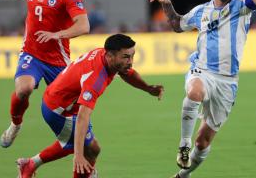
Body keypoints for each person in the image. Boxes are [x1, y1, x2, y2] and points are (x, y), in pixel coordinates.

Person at [149, 0, 256, 178]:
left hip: (228, 82)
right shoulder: (200, 12)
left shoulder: (242, 6)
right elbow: (177, 25)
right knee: (194, 92)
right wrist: (167, 5)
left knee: (203, 142)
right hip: (202, 70)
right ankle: (183, 144)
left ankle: (182, 175)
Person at [0, 0, 90, 148]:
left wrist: (56, 34)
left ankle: (87, 158)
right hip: (32, 53)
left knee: (74, 110)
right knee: (24, 89)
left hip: (58, 60)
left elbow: (84, 26)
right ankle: (15, 124)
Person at [16, 34, 164, 178]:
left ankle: (31, 164)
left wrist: (148, 88)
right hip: (58, 110)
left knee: (91, 149)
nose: (130, 61)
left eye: (132, 56)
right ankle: (30, 164)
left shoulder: (107, 56)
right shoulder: (95, 79)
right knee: (86, 149)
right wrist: (78, 155)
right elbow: (83, 116)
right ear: (110, 56)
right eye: (126, 57)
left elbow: (127, 73)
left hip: (68, 102)